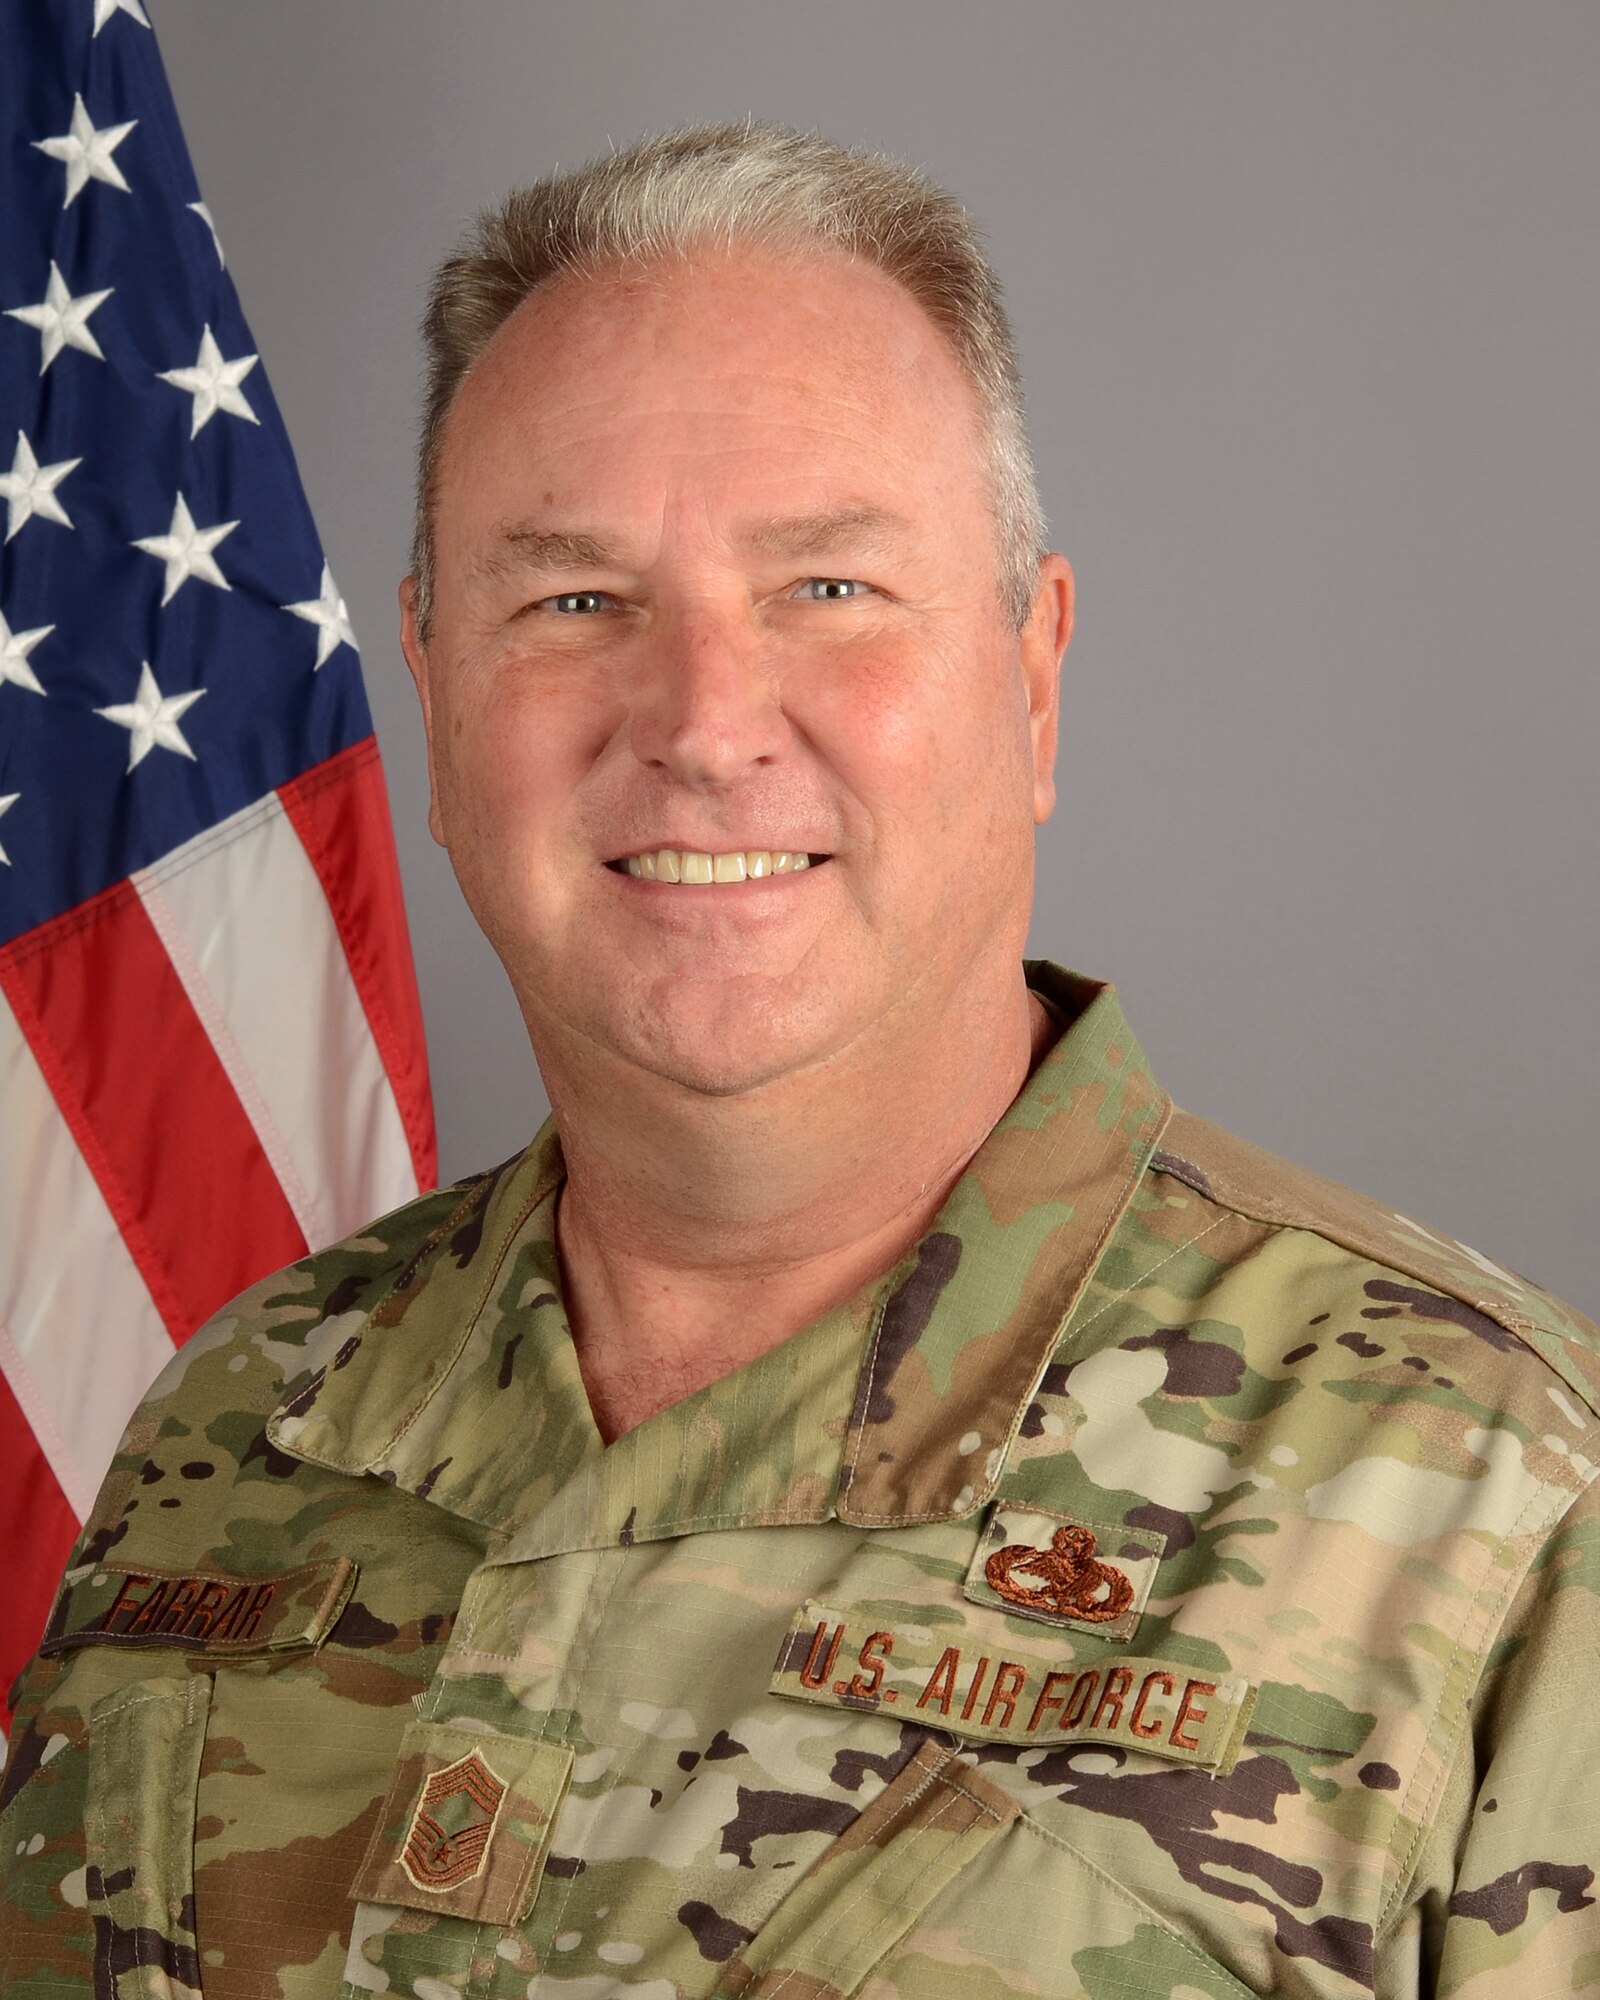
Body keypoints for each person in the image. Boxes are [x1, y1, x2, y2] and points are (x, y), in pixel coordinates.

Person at [1, 122, 1595, 2000]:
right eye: (572, 600)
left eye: (828, 588)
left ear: (1032, 674)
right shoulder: (229, 1425)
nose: (702, 722)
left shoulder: (1499, 1504)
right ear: (431, 699)